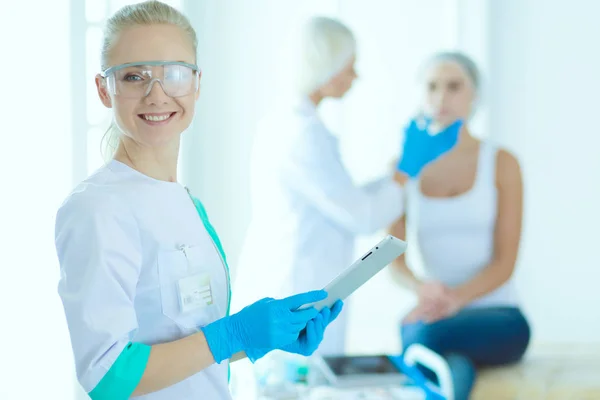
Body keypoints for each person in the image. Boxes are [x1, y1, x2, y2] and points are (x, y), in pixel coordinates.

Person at [54, 2, 343, 399]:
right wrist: (232, 333)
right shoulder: (97, 208)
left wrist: (264, 335)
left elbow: (189, 343)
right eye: (135, 76)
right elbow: (110, 377)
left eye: (173, 74)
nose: (156, 95)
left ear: (196, 83)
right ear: (105, 89)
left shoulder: (186, 203)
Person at [233, 17, 462, 356]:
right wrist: (405, 170)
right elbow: (363, 216)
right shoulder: (301, 134)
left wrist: (399, 174)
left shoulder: (296, 124)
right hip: (292, 286)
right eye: (349, 66)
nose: (355, 76)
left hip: (300, 285)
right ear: (326, 65)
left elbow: (345, 199)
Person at [389, 52, 531, 400]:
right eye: (432, 87)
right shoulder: (404, 167)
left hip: (499, 317)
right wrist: (421, 289)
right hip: (438, 316)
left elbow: (505, 263)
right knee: (446, 355)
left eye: (454, 87)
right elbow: (392, 259)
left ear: (474, 96)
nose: (441, 98)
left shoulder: (501, 162)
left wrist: (454, 301)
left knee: (421, 338)